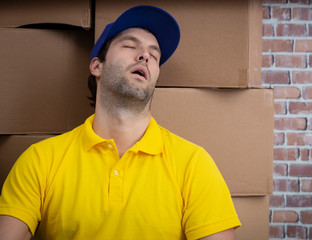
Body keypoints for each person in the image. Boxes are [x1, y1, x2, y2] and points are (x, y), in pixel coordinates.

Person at [0, 5, 240, 240]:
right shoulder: (40, 161)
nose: (145, 55)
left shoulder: (193, 165)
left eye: (154, 55)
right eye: (129, 45)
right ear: (97, 65)